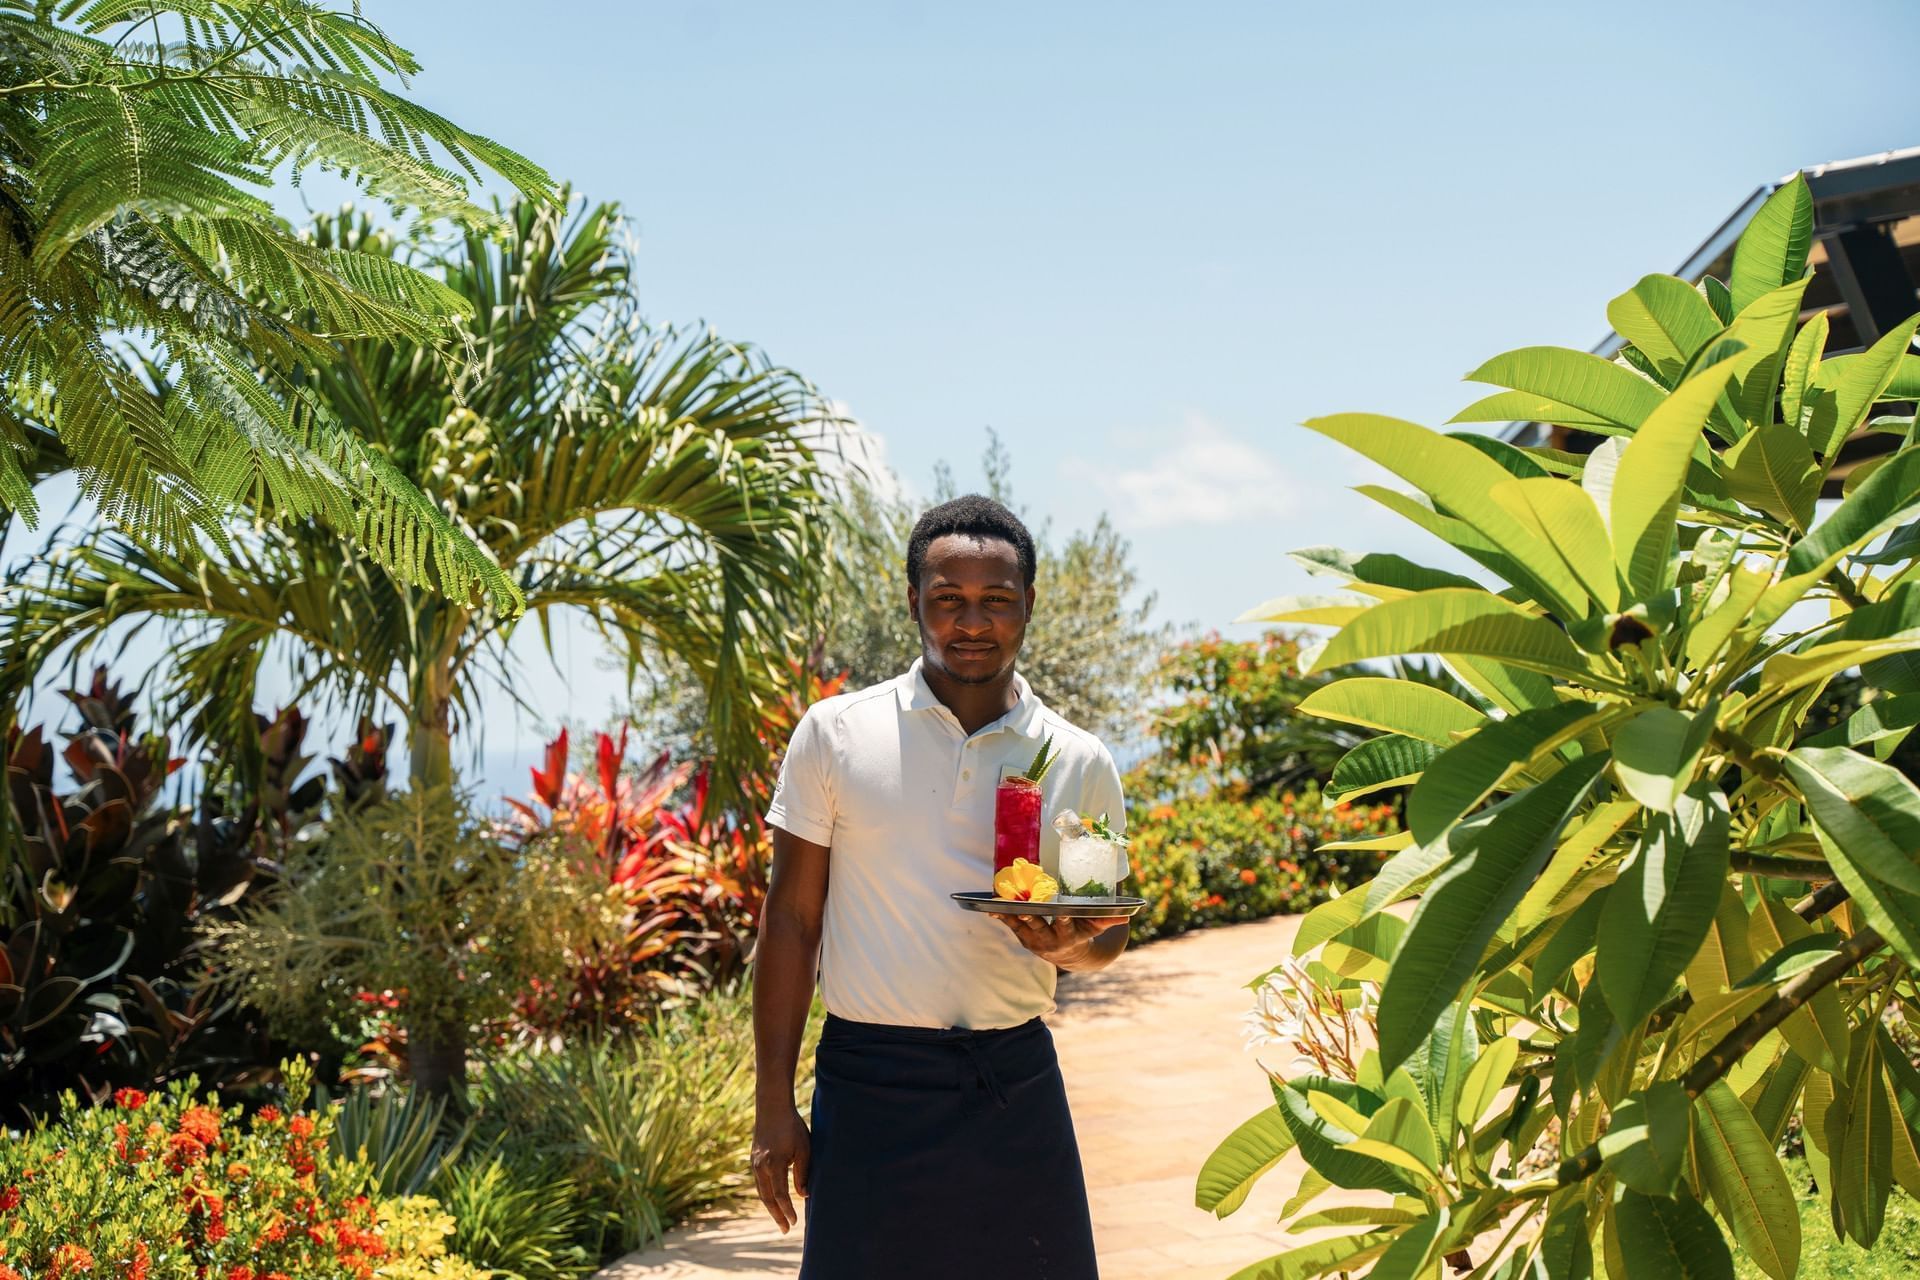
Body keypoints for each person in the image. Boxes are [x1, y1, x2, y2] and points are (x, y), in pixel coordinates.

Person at [751, 494, 1132, 1279]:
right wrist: (772, 1103)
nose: (972, 622)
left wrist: (1072, 949)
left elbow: (1106, 928)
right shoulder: (836, 735)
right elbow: (790, 920)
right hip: (868, 1087)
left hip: (1014, 1085)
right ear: (912, 602)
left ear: (1029, 605)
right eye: (948, 600)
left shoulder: (1076, 759)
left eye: (996, 601)